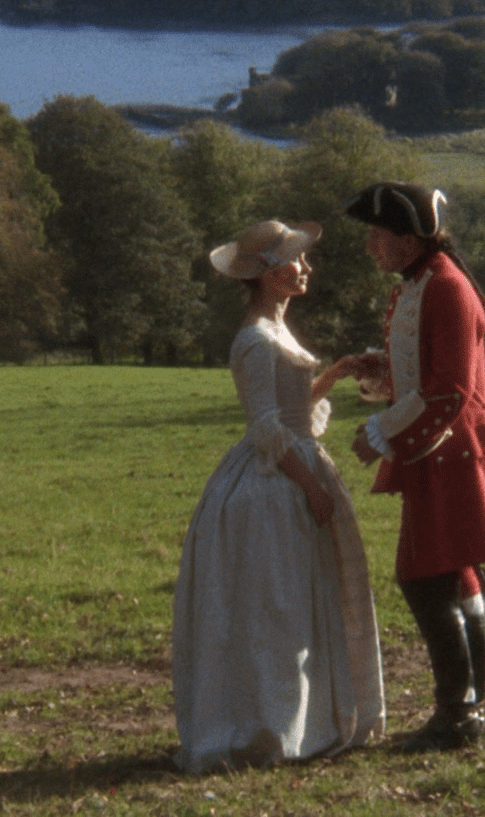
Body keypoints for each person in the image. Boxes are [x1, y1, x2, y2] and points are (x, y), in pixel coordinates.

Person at [171, 219, 385, 774]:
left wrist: (333, 374)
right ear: (269, 275)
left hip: (290, 468)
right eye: (295, 260)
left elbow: (290, 406)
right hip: (270, 484)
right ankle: (269, 724)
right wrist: (311, 485)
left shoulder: (277, 331)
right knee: (275, 605)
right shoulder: (255, 338)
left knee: (297, 600)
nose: (306, 268)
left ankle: (304, 721)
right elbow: (266, 425)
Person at [343, 182, 485, 753]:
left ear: (407, 238)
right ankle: (468, 707)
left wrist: (381, 433)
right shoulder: (420, 285)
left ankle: (457, 714)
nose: (372, 247)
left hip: (448, 446)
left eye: (378, 235)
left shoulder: (444, 287)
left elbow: (448, 390)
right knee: (452, 574)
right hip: (441, 444)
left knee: (423, 576)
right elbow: (422, 372)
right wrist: (377, 366)